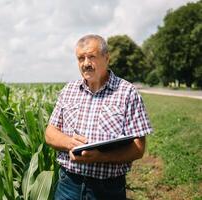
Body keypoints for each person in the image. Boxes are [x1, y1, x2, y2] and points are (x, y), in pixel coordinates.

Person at [45, 34, 152, 200]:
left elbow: (138, 148)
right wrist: (70, 144)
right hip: (69, 184)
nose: (86, 63)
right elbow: (50, 133)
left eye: (92, 57)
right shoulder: (69, 90)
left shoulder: (127, 92)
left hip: (108, 189)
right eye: (81, 58)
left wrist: (100, 157)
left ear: (106, 58)